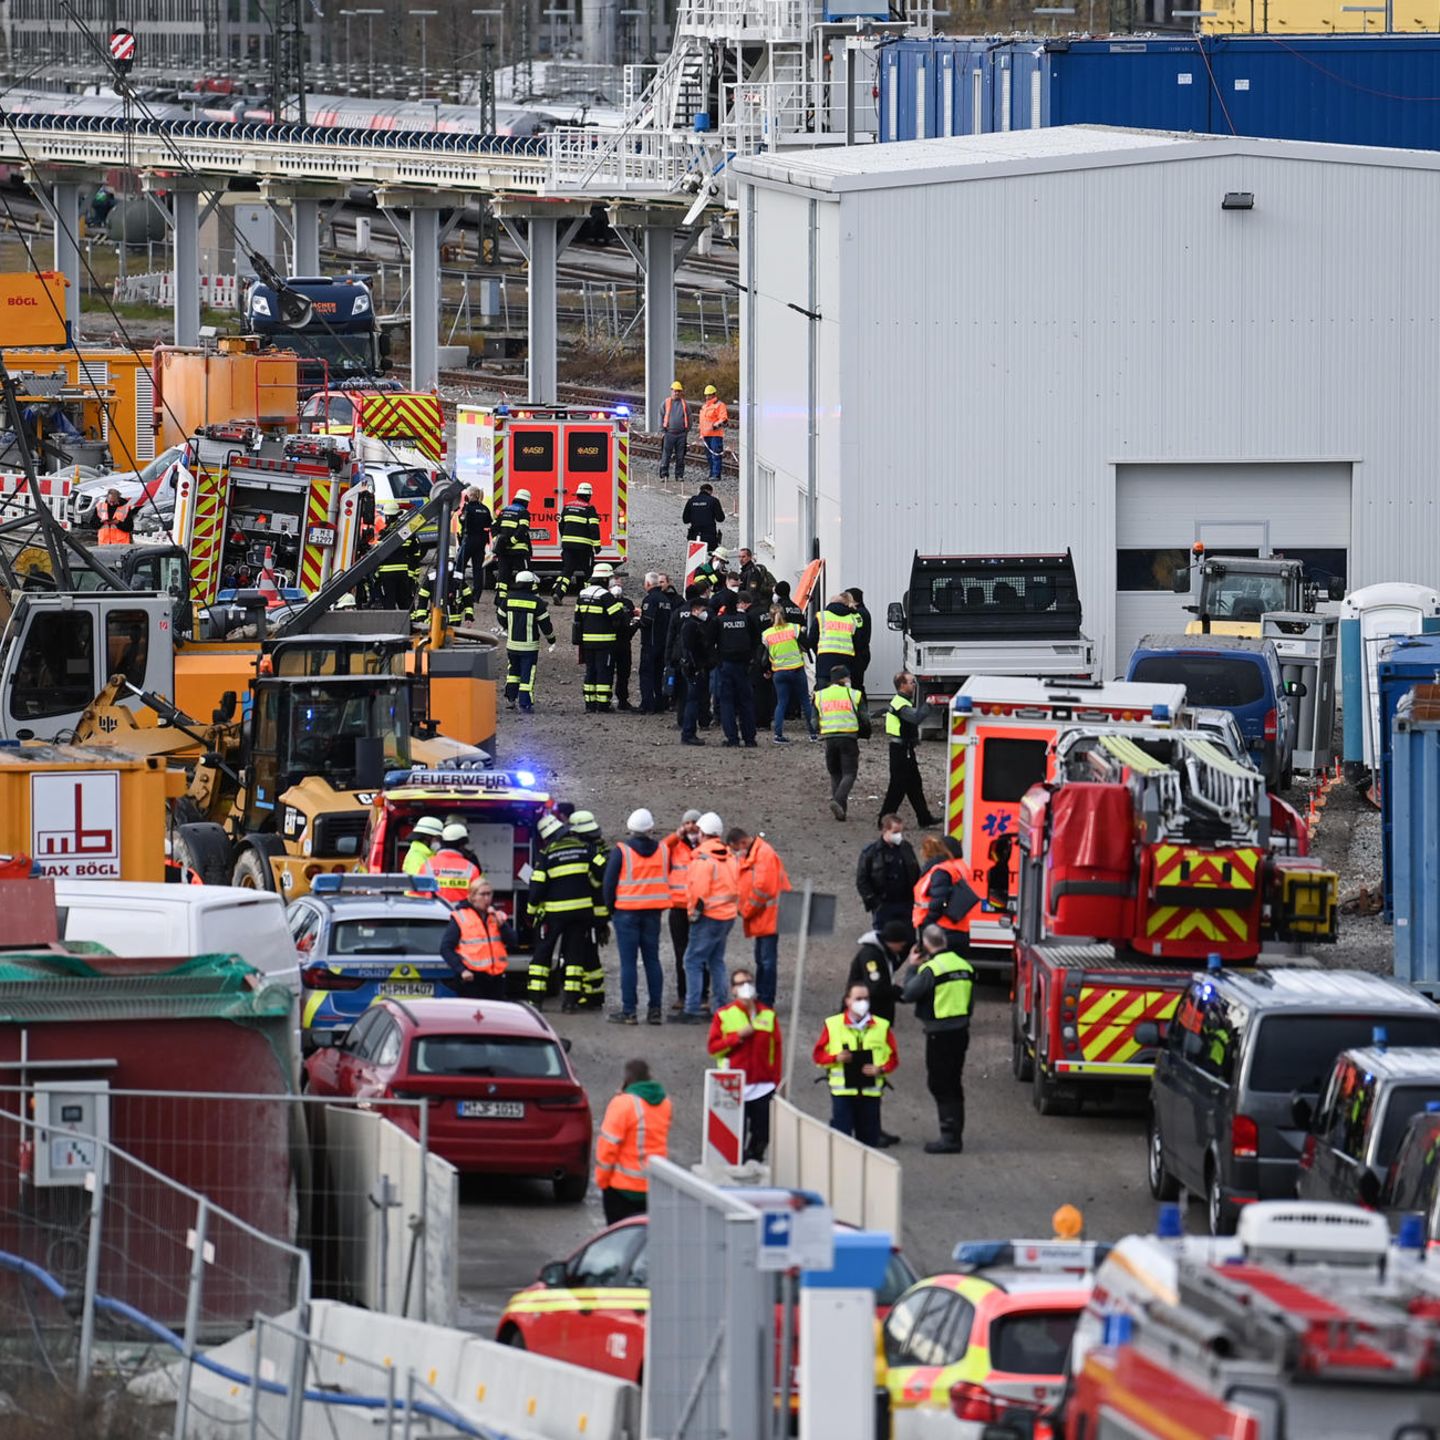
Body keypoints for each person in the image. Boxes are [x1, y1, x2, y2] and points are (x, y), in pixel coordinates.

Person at [898, 923, 976, 1155]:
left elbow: (908, 993)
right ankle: (954, 1133)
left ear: (926, 945)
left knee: (940, 1083)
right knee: (953, 1081)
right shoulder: (965, 966)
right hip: (961, 1031)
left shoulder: (932, 969)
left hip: (939, 1033)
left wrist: (912, 967)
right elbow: (970, 1001)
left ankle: (950, 1137)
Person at [527, 815, 602, 1012]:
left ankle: (536, 1000)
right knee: (574, 955)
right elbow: (600, 874)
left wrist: (531, 911)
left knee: (543, 953)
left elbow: (537, 887)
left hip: (555, 913)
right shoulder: (586, 849)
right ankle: (570, 1002)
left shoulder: (547, 854)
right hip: (582, 913)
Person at [708, 967, 782, 1163]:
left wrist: (776, 1080)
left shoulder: (768, 1015)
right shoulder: (724, 1015)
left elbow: (777, 1049)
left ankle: (752, 1162)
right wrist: (737, 1036)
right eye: (740, 983)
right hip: (734, 1086)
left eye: (749, 982)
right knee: (733, 1136)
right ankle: (736, 1167)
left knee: (763, 1135)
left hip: (763, 1086)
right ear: (733, 990)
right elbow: (714, 1048)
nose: (746, 987)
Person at [812, 980, 898, 1149]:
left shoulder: (881, 1026)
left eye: (866, 998)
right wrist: (836, 1058)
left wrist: (880, 1069)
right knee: (841, 1143)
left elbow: (893, 1058)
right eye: (858, 998)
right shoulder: (833, 1025)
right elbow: (818, 1056)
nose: (863, 1003)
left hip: (870, 1094)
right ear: (848, 1001)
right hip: (843, 1093)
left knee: (868, 1146)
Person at [603, 808, 669, 1025]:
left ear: (630, 828)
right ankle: (655, 1010)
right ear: (651, 828)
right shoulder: (663, 850)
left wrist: (610, 909)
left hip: (626, 914)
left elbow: (609, 884)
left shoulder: (621, 851)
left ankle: (629, 1011)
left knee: (628, 963)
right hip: (653, 913)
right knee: (652, 960)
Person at [593, 1059, 672, 1223]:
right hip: (654, 1186)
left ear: (627, 1078)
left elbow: (608, 1148)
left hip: (623, 1189)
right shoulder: (665, 1103)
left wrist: (602, 1181)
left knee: (618, 1241)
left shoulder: (622, 1104)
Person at [680, 813, 738, 1023]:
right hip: (727, 916)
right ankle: (720, 1007)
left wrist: (691, 914)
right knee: (716, 961)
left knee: (692, 961)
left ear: (702, 833)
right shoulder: (730, 856)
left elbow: (698, 891)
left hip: (708, 917)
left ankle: (692, 1009)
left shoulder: (702, 858)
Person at [731, 827, 790, 1007]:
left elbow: (762, 889)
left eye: (736, 849)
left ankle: (766, 1000)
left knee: (766, 961)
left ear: (742, 843)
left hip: (768, 916)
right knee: (762, 959)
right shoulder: (758, 853)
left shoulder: (764, 855)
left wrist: (746, 910)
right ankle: (763, 997)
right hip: (765, 916)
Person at [878, 671, 939, 827]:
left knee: (914, 785)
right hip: (900, 750)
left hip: (904, 749)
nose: (914, 684)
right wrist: (929, 705)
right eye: (911, 682)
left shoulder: (902, 701)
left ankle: (924, 818)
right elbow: (916, 718)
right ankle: (883, 820)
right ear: (902, 685)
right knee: (897, 787)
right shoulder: (901, 704)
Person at [439, 878, 516, 1000]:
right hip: (472, 979)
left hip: (496, 979)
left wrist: (503, 926)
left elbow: (513, 942)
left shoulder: (496, 916)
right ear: (472, 896)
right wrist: (462, 970)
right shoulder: (461, 916)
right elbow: (446, 948)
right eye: (482, 894)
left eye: (489, 894)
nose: (487, 898)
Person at [569, 810, 611, 1008]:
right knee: (589, 953)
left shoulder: (594, 854)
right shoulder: (601, 851)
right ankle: (594, 993)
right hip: (596, 912)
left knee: (587, 954)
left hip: (591, 912)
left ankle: (592, 994)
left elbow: (595, 884)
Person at [573, 563, 627, 713]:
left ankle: (590, 704)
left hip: (587, 642)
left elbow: (577, 617)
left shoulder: (582, 594)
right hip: (605, 642)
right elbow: (618, 616)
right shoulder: (606, 596)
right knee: (604, 671)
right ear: (604, 579)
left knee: (590, 671)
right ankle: (603, 704)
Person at [856, 814, 921, 936]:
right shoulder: (872, 853)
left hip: (905, 904)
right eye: (895, 832)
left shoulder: (906, 848)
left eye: (901, 832)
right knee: (883, 939)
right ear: (885, 830)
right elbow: (862, 880)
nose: (899, 836)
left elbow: (915, 871)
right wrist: (873, 901)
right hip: (883, 905)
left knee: (908, 938)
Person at [816, 663, 866, 821]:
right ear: (844, 678)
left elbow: (813, 719)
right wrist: (864, 732)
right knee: (850, 773)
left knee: (835, 772)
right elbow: (864, 718)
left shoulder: (820, 695)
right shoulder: (854, 694)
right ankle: (837, 801)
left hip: (829, 738)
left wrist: (821, 729)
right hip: (848, 738)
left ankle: (841, 812)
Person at [762, 605, 818, 745]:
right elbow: (807, 644)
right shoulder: (794, 628)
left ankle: (778, 735)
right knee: (805, 701)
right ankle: (813, 734)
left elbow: (764, 655)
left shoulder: (766, 634)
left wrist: (767, 670)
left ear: (770, 616)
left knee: (781, 703)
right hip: (797, 669)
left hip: (779, 672)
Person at [664, 810, 703, 1012]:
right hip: (678, 908)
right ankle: (683, 994)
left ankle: (702, 995)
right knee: (681, 953)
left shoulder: (707, 845)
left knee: (700, 952)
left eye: (694, 822)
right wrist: (675, 836)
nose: (690, 826)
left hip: (699, 907)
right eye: (687, 822)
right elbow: (660, 850)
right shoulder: (675, 846)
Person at [503, 569, 557, 712]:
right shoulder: (536, 602)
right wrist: (552, 640)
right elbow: (546, 625)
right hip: (529, 647)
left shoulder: (509, 598)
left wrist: (508, 626)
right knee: (527, 674)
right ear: (530, 584)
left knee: (513, 672)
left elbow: (500, 616)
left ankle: (510, 698)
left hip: (512, 645)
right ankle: (525, 703)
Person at [715, 589, 761, 748]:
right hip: (744, 665)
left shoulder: (720, 621)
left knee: (727, 703)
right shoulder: (746, 619)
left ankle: (732, 738)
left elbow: (710, 642)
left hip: (726, 665)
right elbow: (756, 639)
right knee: (746, 702)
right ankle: (750, 738)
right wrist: (751, 658)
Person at [912, 834, 979, 942]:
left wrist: (927, 922)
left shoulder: (942, 870)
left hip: (942, 928)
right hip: (956, 926)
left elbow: (939, 900)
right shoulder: (957, 867)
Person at [847, 919, 912, 1027]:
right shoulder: (871, 956)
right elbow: (876, 987)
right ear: (893, 941)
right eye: (901, 944)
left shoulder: (883, 953)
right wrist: (900, 994)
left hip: (874, 1013)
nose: (902, 948)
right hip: (866, 1015)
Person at [676, 590, 714, 747]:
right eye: (703, 610)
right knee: (692, 702)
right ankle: (688, 733)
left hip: (693, 668)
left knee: (693, 701)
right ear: (696, 610)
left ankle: (689, 732)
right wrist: (697, 667)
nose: (705, 613)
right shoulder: (692, 626)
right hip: (694, 669)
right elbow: (692, 649)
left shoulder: (693, 624)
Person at [553, 481, 602, 602]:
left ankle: (558, 594)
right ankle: (590, 598)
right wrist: (597, 545)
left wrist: (565, 538)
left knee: (567, 571)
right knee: (588, 573)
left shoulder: (567, 506)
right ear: (588, 495)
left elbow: (561, 524)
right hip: (584, 547)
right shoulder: (589, 508)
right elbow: (593, 528)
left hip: (568, 546)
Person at [639, 572, 680, 714]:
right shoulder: (666, 600)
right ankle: (660, 704)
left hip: (650, 643)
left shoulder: (650, 599)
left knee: (646, 674)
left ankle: (647, 705)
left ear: (648, 584)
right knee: (658, 675)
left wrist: (636, 621)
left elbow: (647, 621)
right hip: (663, 643)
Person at [493, 488, 533, 623]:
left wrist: (497, 541)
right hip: (519, 551)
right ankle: (534, 598)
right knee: (526, 574)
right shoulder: (523, 512)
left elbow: (494, 527)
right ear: (526, 501)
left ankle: (500, 602)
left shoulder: (504, 511)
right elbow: (523, 530)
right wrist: (512, 541)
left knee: (503, 577)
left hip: (503, 551)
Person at [809, 590, 860, 689]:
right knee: (844, 692)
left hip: (825, 659)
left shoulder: (822, 616)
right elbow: (858, 642)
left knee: (823, 693)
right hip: (846, 660)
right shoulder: (852, 618)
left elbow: (811, 639)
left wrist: (819, 651)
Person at [421, 821, 482, 903]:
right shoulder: (471, 869)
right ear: (462, 845)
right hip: (461, 914)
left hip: (433, 914)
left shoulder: (428, 865)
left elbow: (418, 894)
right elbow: (478, 899)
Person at [374, 502, 417, 611]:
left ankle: (391, 627)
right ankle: (408, 625)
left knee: (389, 602)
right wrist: (412, 574)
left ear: (387, 516)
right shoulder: (406, 532)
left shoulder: (384, 534)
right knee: (404, 602)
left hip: (386, 574)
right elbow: (415, 552)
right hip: (402, 573)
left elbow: (376, 555)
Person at [609, 575, 639, 711]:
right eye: (615, 585)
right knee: (607, 672)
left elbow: (632, 621)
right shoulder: (605, 601)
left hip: (624, 643)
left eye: (620, 585)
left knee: (624, 672)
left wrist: (629, 633)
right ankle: (605, 699)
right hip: (609, 643)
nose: (618, 588)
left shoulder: (628, 603)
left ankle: (623, 699)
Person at [456, 486, 493, 596]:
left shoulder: (468, 508)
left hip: (469, 540)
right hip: (481, 541)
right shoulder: (485, 509)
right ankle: (476, 595)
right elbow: (489, 524)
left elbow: (463, 521)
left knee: (459, 567)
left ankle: (458, 590)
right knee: (478, 569)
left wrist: (464, 508)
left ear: (470, 495)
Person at [658, 380, 691, 481]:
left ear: (681, 392)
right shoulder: (666, 403)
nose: (676, 393)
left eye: (678, 391)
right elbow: (661, 416)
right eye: (675, 391)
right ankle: (664, 474)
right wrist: (662, 430)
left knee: (680, 456)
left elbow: (689, 417)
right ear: (671, 391)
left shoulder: (685, 404)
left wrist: (687, 430)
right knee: (666, 455)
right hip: (669, 433)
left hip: (681, 434)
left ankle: (679, 475)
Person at [698, 384, 729, 481]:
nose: (707, 397)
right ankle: (712, 473)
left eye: (709, 395)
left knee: (716, 455)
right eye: (706, 395)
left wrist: (716, 425)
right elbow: (703, 421)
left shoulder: (720, 405)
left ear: (713, 394)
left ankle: (716, 475)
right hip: (706, 435)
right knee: (709, 456)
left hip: (715, 435)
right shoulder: (705, 407)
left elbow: (723, 419)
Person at [682, 481, 724, 549]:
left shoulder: (691, 501)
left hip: (694, 535)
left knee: (695, 558)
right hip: (710, 536)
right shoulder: (713, 501)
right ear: (710, 491)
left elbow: (685, 520)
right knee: (710, 556)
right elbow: (720, 518)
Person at [849, 586, 874, 697]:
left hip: (858, 654)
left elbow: (858, 635)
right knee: (857, 684)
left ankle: (862, 710)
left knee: (856, 685)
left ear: (853, 599)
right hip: (863, 653)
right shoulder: (863, 612)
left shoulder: (858, 614)